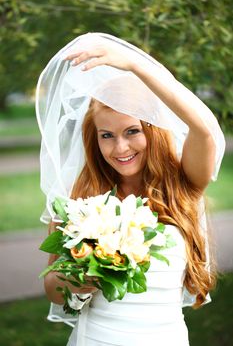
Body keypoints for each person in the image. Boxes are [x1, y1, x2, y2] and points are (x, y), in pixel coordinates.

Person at [36, 33, 225, 346]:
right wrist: (84, 277)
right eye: (106, 135)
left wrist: (138, 67)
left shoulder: (183, 184)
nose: (120, 147)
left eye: (132, 131)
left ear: (153, 129)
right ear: (93, 139)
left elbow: (206, 129)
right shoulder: (79, 196)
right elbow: (52, 287)